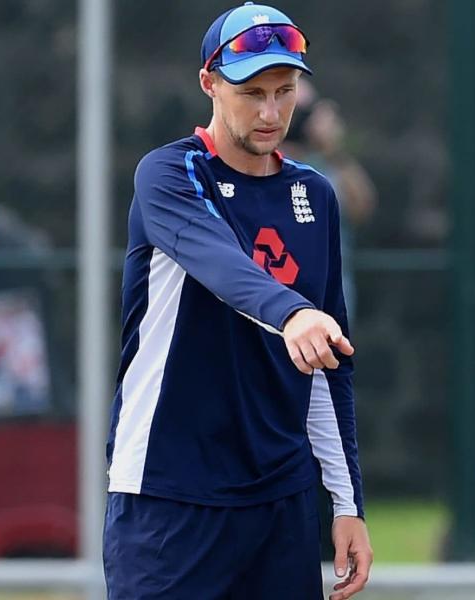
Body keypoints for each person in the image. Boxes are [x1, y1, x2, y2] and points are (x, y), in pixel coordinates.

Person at [102, 3, 371, 599]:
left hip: (280, 501)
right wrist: (293, 311)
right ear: (209, 84)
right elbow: (219, 262)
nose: (272, 112)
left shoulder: (314, 194)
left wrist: (348, 503)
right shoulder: (169, 174)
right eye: (252, 93)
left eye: (285, 91)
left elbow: (328, 366)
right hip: (167, 493)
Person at [283, 82, 377, 323]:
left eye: (302, 112)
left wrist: (334, 150)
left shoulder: (326, 166)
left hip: (328, 308)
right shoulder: (255, 164)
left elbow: (362, 207)